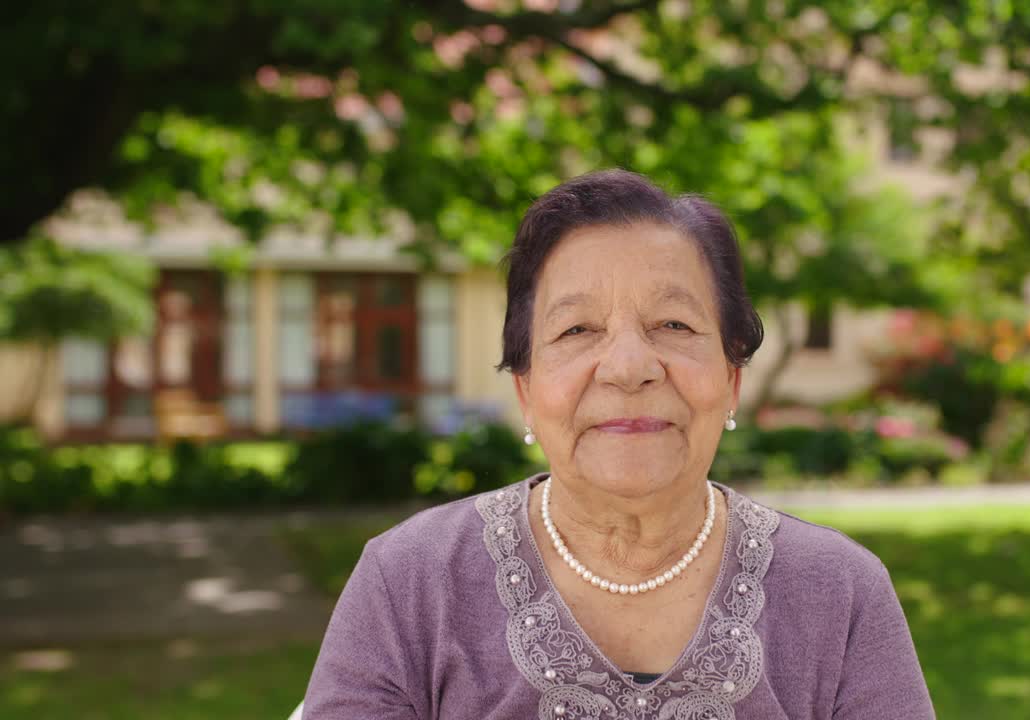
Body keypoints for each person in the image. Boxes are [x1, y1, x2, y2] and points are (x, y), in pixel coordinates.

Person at [302, 170, 935, 719]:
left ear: (731, 379)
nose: (629, 366)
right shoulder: (410, 582)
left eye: (674, 324)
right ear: (526, 388)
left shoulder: (841, 591)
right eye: (577, 328)